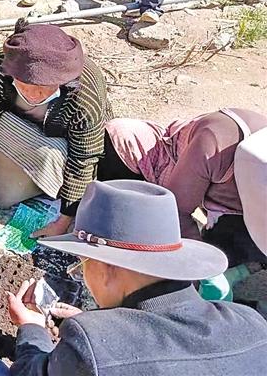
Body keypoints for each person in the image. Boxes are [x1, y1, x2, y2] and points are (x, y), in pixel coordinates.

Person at [0, 179, 267, 376]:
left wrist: (32, 328)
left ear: (106, 267)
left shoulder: (89, 342)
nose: (83, 276)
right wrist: (107, 330)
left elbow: (30, 372)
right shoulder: (251, 323)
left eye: (81, 266)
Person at [0, 21, 112, 238]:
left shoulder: (83, 97)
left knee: (51, 155)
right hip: (12, 119)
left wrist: (63, 222)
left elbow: (84, 159)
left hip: (55, 139)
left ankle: (26, 186)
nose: (33, 95)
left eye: (42, 89)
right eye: (25, 86)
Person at [101, 108, 267, 267]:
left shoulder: (257, 170)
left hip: (211, 183)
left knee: (241, 246)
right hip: (127, 163)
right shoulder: (214, 144)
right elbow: (176, 214)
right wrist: (201, 268)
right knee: (132, 239)